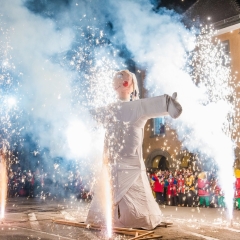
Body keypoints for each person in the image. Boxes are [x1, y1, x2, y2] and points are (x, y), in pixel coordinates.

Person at [86, 69, 182, 229]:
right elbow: (90, 116)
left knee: (134, 200)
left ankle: (131, 218)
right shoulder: (112, 109)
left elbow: (156, 104)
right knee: (110, 196)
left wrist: (169, 104)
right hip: (113, 163)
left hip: (130, 164)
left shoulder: (136, 106)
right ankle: (110, 217)